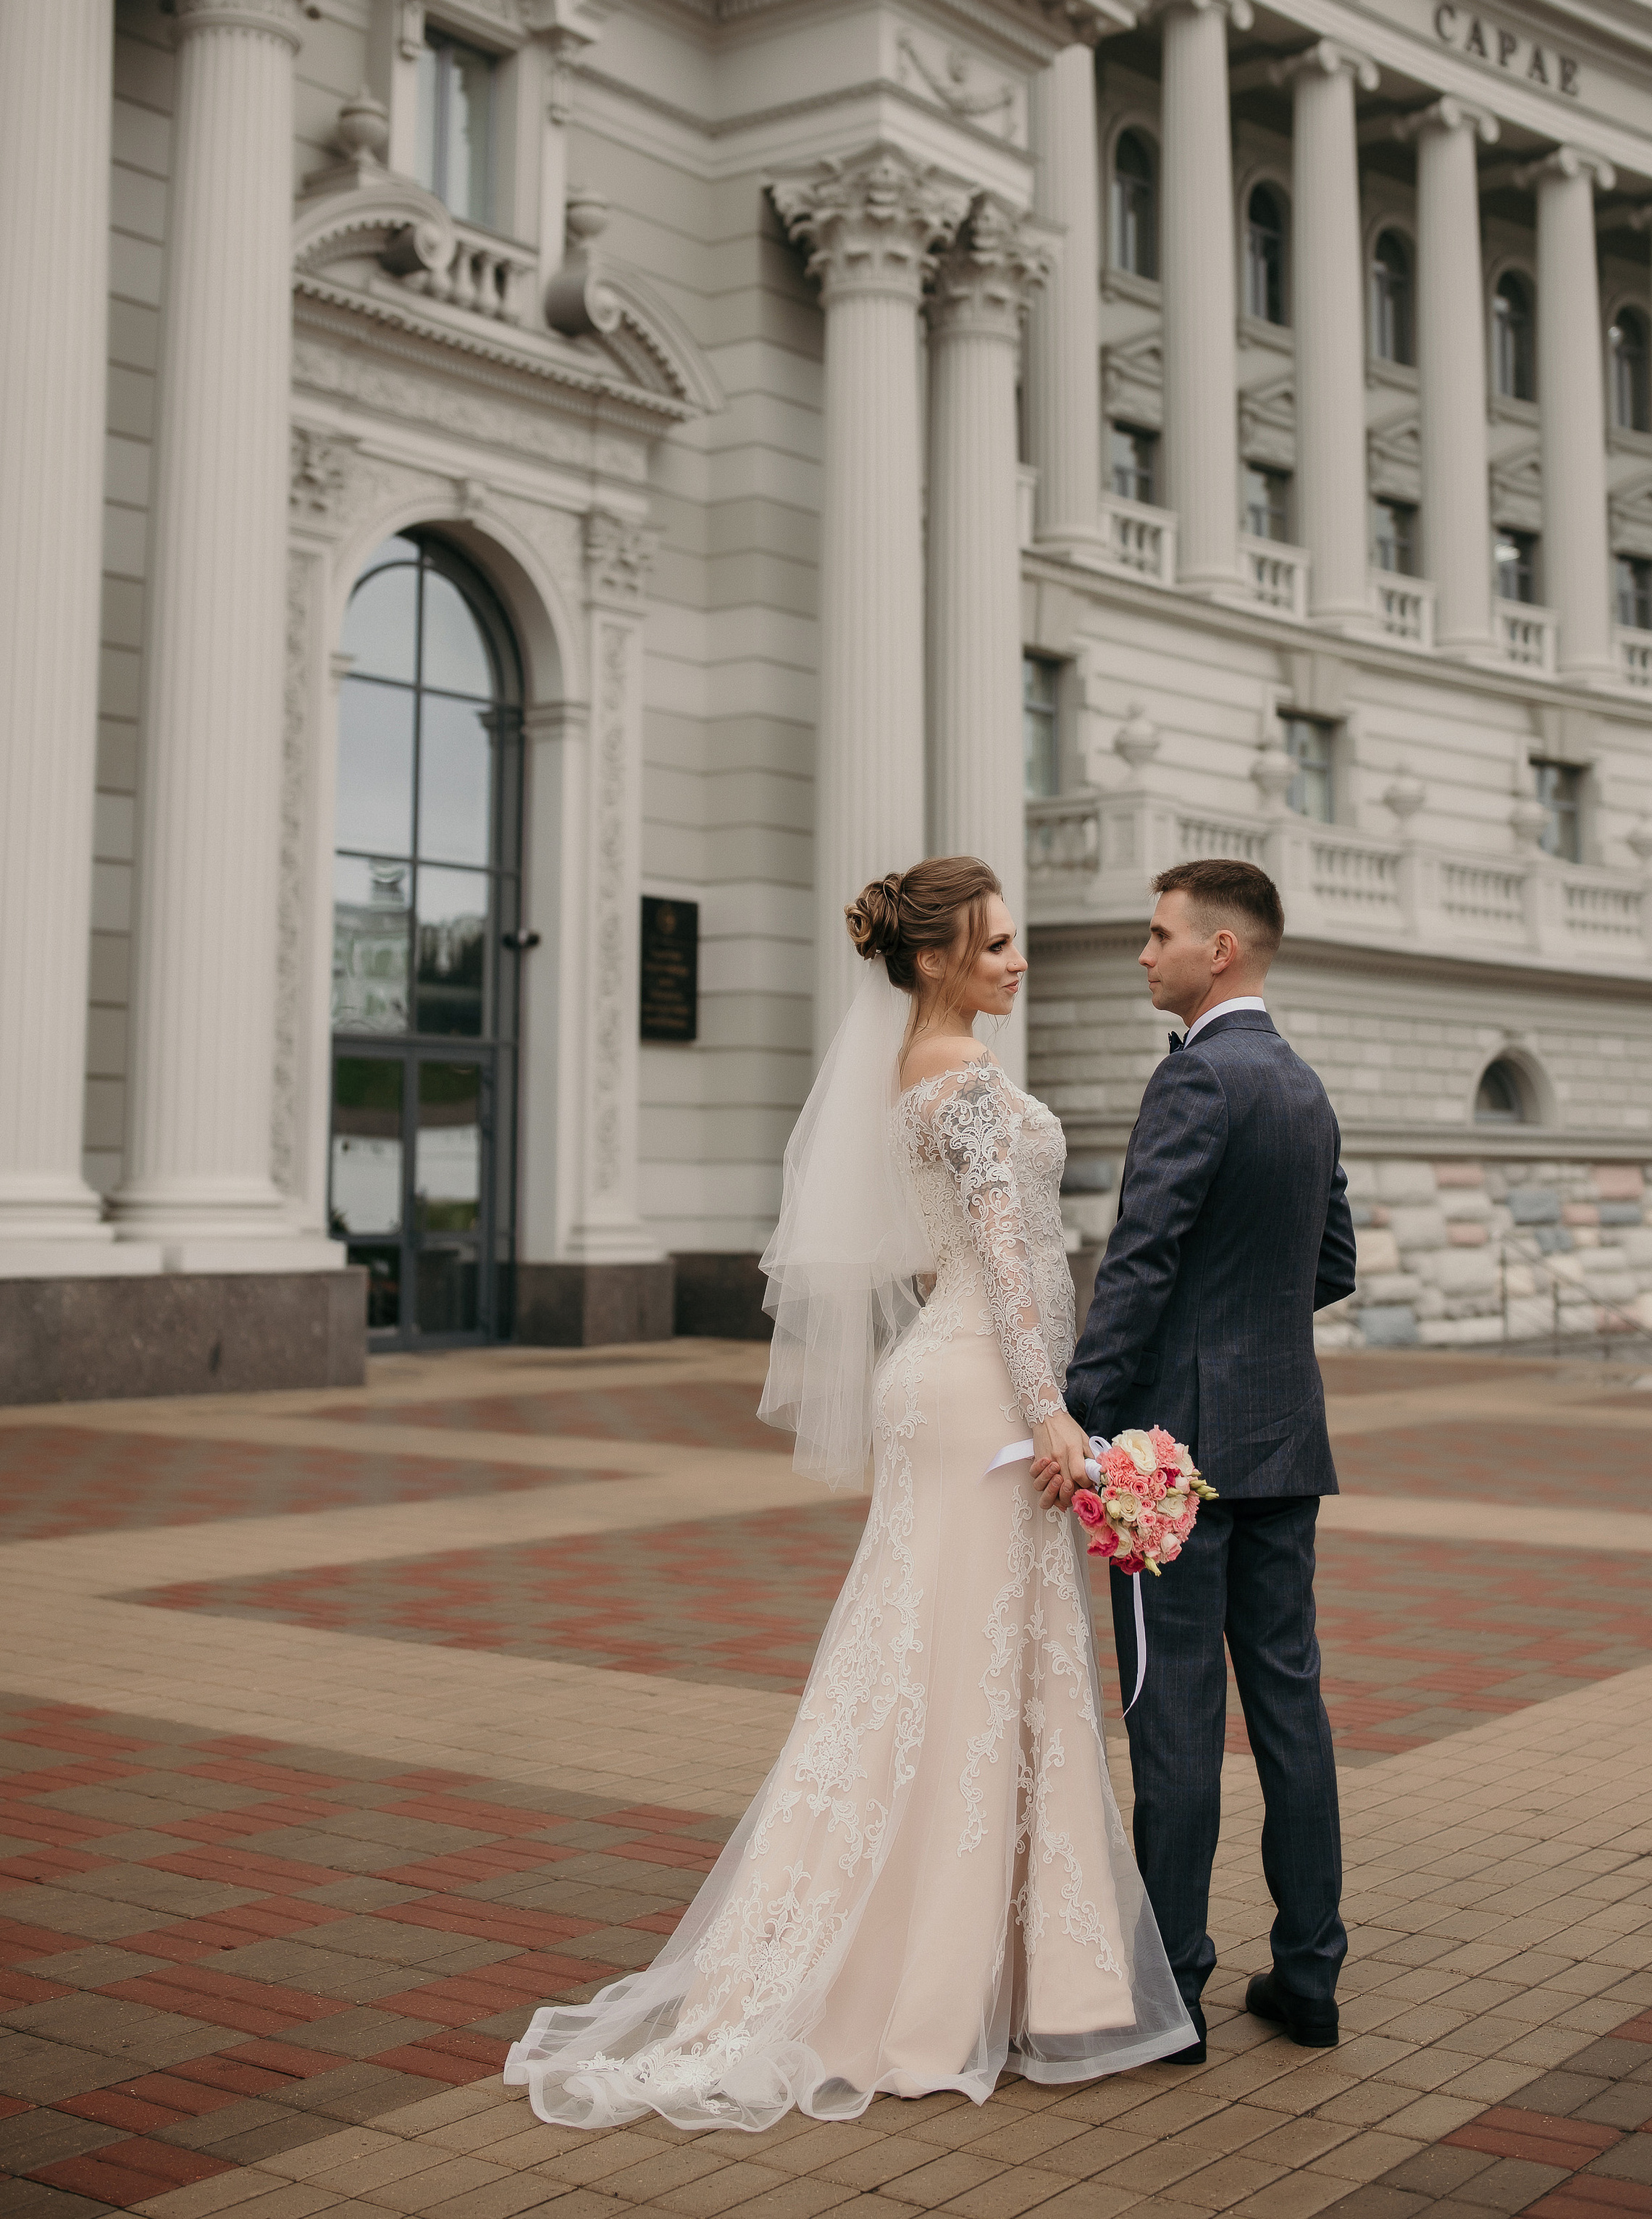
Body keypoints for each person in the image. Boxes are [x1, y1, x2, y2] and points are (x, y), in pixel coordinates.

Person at [504, 855, 1194, 2134]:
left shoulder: (919, 1068)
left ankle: (992, 1974)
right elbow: (1004, 1256)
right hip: (984, 1391)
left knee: (946, 1664)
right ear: (934, 960)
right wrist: (1053, 1416)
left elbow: (972, 1253)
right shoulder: (961, 1079)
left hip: (958, 1375)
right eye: (995, 944)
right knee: (966, 1670)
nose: (1018, 960)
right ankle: (931, 1994)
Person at [1035, 857, 1355, 2061]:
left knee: (1173, 1720)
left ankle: (1173, 1992)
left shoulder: (1193, 1079)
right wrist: (1251, 1336)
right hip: (1285, 1441)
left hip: (1172, 1458)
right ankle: (1310, 1975)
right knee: (1291, 1711)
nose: (1143, 951)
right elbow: (1333, 1261)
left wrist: (1078, 1419)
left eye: (1159, 933)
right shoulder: (1304, 1083)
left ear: (1218, 951)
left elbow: (1139, 1265)